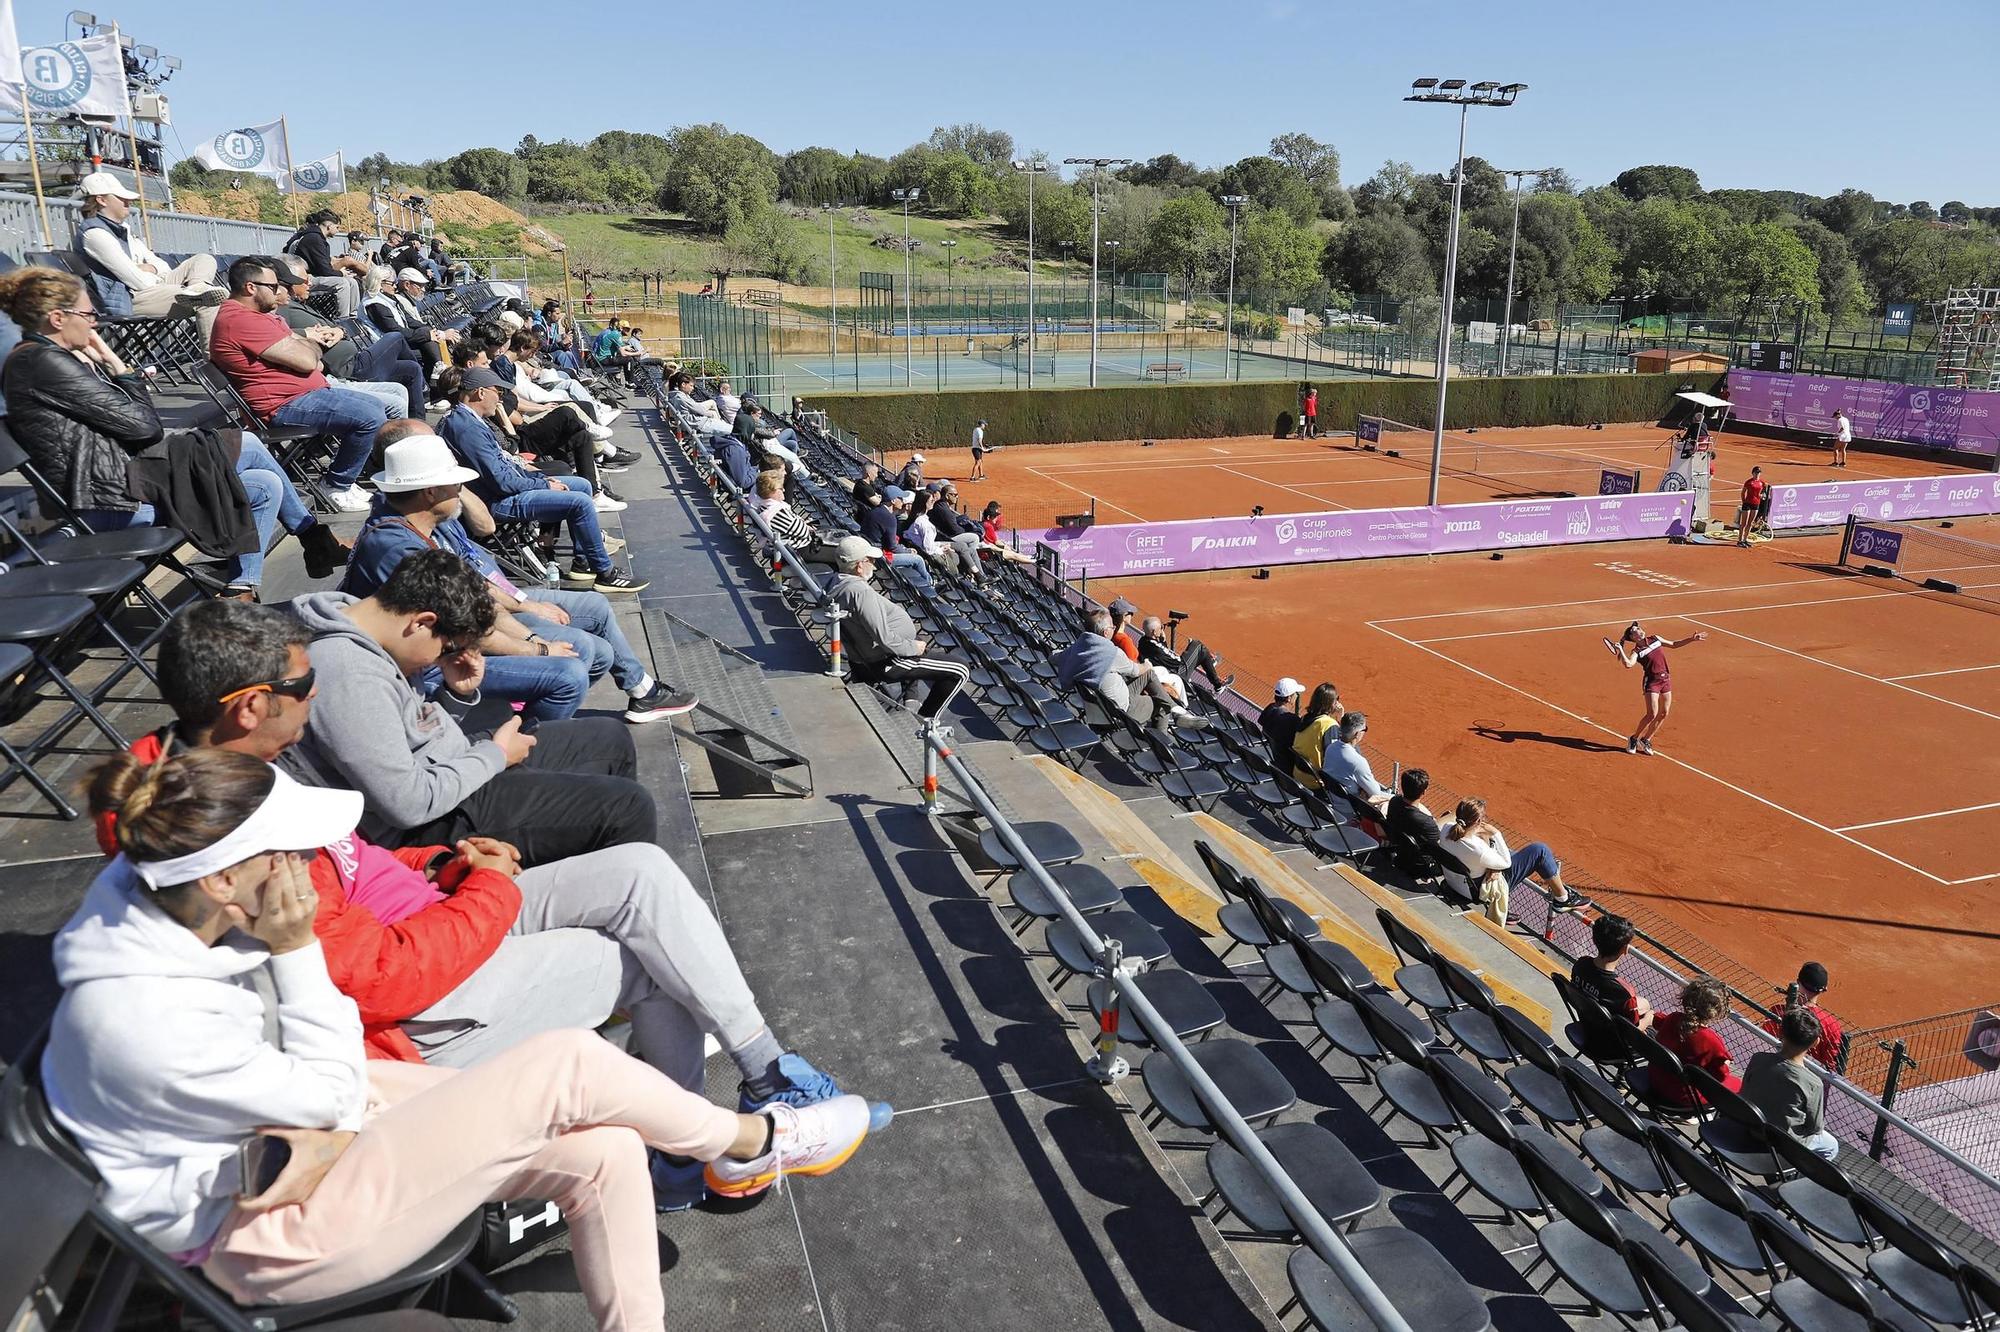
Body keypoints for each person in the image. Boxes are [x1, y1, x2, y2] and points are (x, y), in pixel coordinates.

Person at [49, 746, 874, 1327]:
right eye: (294, 854)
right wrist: (298, 950)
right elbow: (333, 1088)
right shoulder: (145, 1013)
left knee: (609, 1148)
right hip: (263, 1234)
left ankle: (715, 1179)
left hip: (295, 1140)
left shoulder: (162, 889)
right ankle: (754, 1136)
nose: (313, 869)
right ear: (227, 880)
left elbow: (325, 1092)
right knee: (568, 1067)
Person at [287, 548, 662, 864]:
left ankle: (587, 859)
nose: (441, 659)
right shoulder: (350, 676)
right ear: (422, 622)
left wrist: (455, 696)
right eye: (446, 647)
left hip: (456, 766)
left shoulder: (368, 627)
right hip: (426, 823)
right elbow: (406, 804)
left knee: (608, 738)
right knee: (628, 807)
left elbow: (408, 731)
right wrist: (495, 757)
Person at [0, 266, 349, 596]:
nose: (95, 324)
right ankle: (305, 547)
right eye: (88, 315)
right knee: (251, 456)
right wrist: (119, 368)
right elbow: (144, 428)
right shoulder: (45, 363)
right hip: (109, 499)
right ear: (58, 319)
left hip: (121, 480)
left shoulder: (48, 359)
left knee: (261, 475)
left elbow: (130, 426)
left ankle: (248, 586)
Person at [343, 424, 693, 723]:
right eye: (454, 484)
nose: (460, 490)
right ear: (430, 491)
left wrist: (527, 622)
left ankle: (534, 709)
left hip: (462, 636)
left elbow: (475, 588)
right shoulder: (399, 548)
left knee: (595, 646)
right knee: (574, 663)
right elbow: (469, 631)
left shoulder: (426, 521)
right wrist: (538, 649)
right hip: (431, 666)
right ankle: (518, 744)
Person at [438, 366, 647, 591]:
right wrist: (544, 482)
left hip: (503, 489)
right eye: (497, 391)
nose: (499, 398)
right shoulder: (467, 428)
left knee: (582, 485)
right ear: (480, 393)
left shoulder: (469, 421)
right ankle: (605, 573)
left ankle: (582, 562)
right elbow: (502, 482)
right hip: (496, 502)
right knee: (580, 502)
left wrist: (535, 476)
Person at [209, 257, 389, 513]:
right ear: (250, 287)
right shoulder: (240, 320)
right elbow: (307, 361)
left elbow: (313, 363)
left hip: (303, 394)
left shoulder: (260, 316)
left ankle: (346, 478)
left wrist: (307, 349)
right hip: (281, 406)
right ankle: (337, 483)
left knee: (374, 405)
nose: (280, 291)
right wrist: (314, 345)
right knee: (369, 415)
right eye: (273, 286)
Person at [826, 535, 968, 719]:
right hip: (887, 661)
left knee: (916, 643)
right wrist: (913, 648)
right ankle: (925, 721)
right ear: (860, 565)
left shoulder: (837, 582)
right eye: (871, 561)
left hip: (866, 659)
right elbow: (885, 639)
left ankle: (911, 699)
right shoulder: (860, 592)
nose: (875, 565)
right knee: (960, 669)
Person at [269, 254, 422, 420]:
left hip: (355, 359)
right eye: (304, 280)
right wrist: (307, 333)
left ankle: (418, 425)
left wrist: (340, 331)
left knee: (411, 369)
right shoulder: (284, 308)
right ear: (286, 282)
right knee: (395, 337)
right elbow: (276, 332)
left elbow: (337, 327)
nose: (310, 283)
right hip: (349, 369)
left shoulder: (300, 305)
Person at [71, 170, 224, 329]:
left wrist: (150, 269)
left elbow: (161, 265)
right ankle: (215, 354)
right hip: (131, 297)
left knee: (204, 259)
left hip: (152, 287)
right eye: (120, 197)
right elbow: (138, 281)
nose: (128, 201)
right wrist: (152, 274)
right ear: (101, 200)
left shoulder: (123, 228)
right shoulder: (95, 234)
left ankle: (197, 288)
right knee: (207, 300)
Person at [1435, 794, 1582, 915]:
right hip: (1477, 891)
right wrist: (1495, 833)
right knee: (1539, 850)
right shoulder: (1478, 849)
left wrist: (1493, 865)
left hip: (1455, 882)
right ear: (1478, 821)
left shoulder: (1446, 830)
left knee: (1512, 854)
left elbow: (1475, 851)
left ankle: (1561, 895)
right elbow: (1506, 863)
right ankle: (1562, 899)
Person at [1055, 607, 1182, 730]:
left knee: (1149, 674)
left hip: (1098, 710)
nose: (1114, 628)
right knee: (1161, 704)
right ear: (1105, 632)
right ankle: (1162, 745)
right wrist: (1147, 665)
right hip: (1120, 712)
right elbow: (1135, 671)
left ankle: (1176, 709)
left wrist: (1062, 651)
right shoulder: (1113, 653)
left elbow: (1053, 657)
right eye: (1112, 627)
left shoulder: (1079, 648)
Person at [1743, 1008, 1842, 1161]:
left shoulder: (1758, 1058)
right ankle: (1794, 1181)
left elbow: (1746, 1091)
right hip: (1782, 1143)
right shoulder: (1813, 1083)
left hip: (1749, 1127)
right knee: (1831, 1145)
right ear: (1816, 1042)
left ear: (1780, 1033)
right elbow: (1815, 1128)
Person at [1607, 621, 1706, 756]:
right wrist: (1621, 651)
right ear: (1633, 637)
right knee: (1651, 714)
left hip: (1665, 679)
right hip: (1652, 682)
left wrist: (1691, 639)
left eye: (1639, 628)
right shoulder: (1636, 651)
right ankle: (1634, 738)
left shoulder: (1656, 638)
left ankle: (1646, 739)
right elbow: (1629, 664)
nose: (1640, 630)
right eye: (1636, 630)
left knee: (1664, 712)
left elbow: (1674, 644)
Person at [1647, 976, 1741, 1109]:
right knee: (1738, 1085)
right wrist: (1725, 1063)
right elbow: (1720, 1076)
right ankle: (1702, 1115)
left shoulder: (1673, 1019)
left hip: (1655, 1079)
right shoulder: (1711, 1040)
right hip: (1683, 1097)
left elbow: (1658, 1021)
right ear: (1717, 1012)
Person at [1570, 914, 1655, 1056]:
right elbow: (1634, 1030)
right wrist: (1649, 1019)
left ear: (1594, 940)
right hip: (1613, 1048)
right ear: (1625, 949)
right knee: (1657, 1029)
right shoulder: (1623, 992)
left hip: (1587, 1026)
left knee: (1644, 1003)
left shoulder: (1581, 964)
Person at [362, 266, 454, 391]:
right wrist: (427, 335)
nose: (395, 286)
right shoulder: (374, 304)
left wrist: (432, 331)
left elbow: (409, 320)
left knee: (427, 333)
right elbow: (394, 330)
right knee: (427, 339)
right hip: (386, 347)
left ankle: (438, 375)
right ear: (380, 284)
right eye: (392, 283)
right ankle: (438, 379)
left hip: (400, 341)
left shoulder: (388, 299)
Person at [749, 470, 843, 566]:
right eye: (781, 488)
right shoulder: (776, 513)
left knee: (833, 532)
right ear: (772, 492)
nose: (784, 490)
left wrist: (803, 524)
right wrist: (805, 525)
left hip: (793, 547)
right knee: (844, 555)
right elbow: (803, 532)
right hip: (799, 550)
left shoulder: (764, 507)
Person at [1762, 962, 1845, 1069]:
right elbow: (1830, 1062)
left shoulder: (1778, 1011)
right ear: (1824, 989)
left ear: (1798, 982)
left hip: (1772, 1066)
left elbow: (1764, 1042)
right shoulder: (1832, 1025)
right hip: (1811, 1074)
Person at [281, 209, 362, 317]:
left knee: (352, 282)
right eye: (337, 227)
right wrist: (341, 273)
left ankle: (353, 316)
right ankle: (344, 320)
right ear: (329, 226)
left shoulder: (317, 238)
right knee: (342, 284)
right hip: (304, 279)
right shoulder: (314, 239)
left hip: (312, 274)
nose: (338, 231)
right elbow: (324, 270)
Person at [858, 485, 935, 591]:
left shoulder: (874, 511)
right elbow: (892, 547)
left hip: (871, 551)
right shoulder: (889, 517)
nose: (903, 501)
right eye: (901, 498)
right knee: (918, 560)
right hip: (880, 559)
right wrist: (907, 551)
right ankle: (930, 586)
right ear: (893, 500)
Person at [1136, 615, 1231, 692]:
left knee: (1199, 652)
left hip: (1165, 675)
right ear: (1154, 632)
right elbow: (1177, 660)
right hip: (1178, 674)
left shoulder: (1142, 642)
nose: (1162, 629)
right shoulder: (1156, 647)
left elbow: (1162, 656)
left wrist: (1162, 641)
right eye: (1161, 627)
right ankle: (1218, 684)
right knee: (1197, 645)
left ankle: (1208, 661)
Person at [1384, 768, 1449, 878]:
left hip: (1400, 857)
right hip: (1421, 867)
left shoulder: (1394, 801)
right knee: (1450, 817)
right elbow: (1438, 845)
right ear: (1424, 792)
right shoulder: (1426, 823)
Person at [1322, 713, 1391, 812]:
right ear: (1357, 734)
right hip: (1351, 810)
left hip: (1333, 801)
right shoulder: (1358, 762)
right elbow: (1376, 793)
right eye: (1364, 729)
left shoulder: (1330, 748)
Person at [735, 398, 808, 476]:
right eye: (759, 414)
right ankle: (809, 476)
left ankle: (794, 473)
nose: (760, 416)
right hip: (769, 448)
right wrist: (774, 432)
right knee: (793, 455)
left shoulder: (754, 421)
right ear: (752, 413)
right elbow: (767, 434)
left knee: (792, 444)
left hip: (773, 442)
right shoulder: (751, 423)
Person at [1290, 682, 1343, 788]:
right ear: (1331, 703)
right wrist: (1340, 719)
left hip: (1298, 775)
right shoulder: (1329, 725)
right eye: (1336, 699)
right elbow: (1334, 757)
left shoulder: (1305, 718)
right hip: (1315, 783)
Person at [1258, 677, 1306, 768]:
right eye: (1296, 694)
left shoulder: (1270, 708)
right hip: (1287, 764)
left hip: (1274, 754)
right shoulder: (1292, 720)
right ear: (1289, 698)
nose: (1297, 696)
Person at [1735, 467, 1767, 547]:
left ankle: (1745, 539)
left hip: (1756, 504)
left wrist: (1762, 496)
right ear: (1752, 473)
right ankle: (1740, 540)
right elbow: (1743, 492)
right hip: (1747, 503)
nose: (1757, 474)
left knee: (1750, 523)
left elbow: (1764, 493)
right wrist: (1743, 501)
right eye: (1756, 472)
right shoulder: (1749, 482)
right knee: (1744, 523)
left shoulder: (1762, 483)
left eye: (1758, 472)